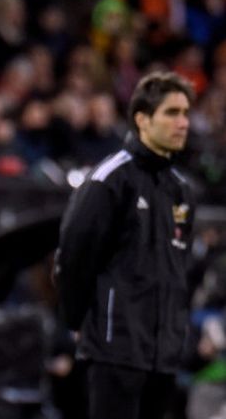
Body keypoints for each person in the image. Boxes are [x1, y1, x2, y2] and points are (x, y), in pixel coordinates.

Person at [54, 71, 195, 419]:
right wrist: (78, 323)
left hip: (163, 353)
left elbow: (180, 272)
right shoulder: (109, 179)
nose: (183, 123)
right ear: (142, 120)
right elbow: (73, 259)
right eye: (172, 113)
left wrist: (177, 334)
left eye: (186, 113)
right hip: (114, 349)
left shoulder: (182, 190)